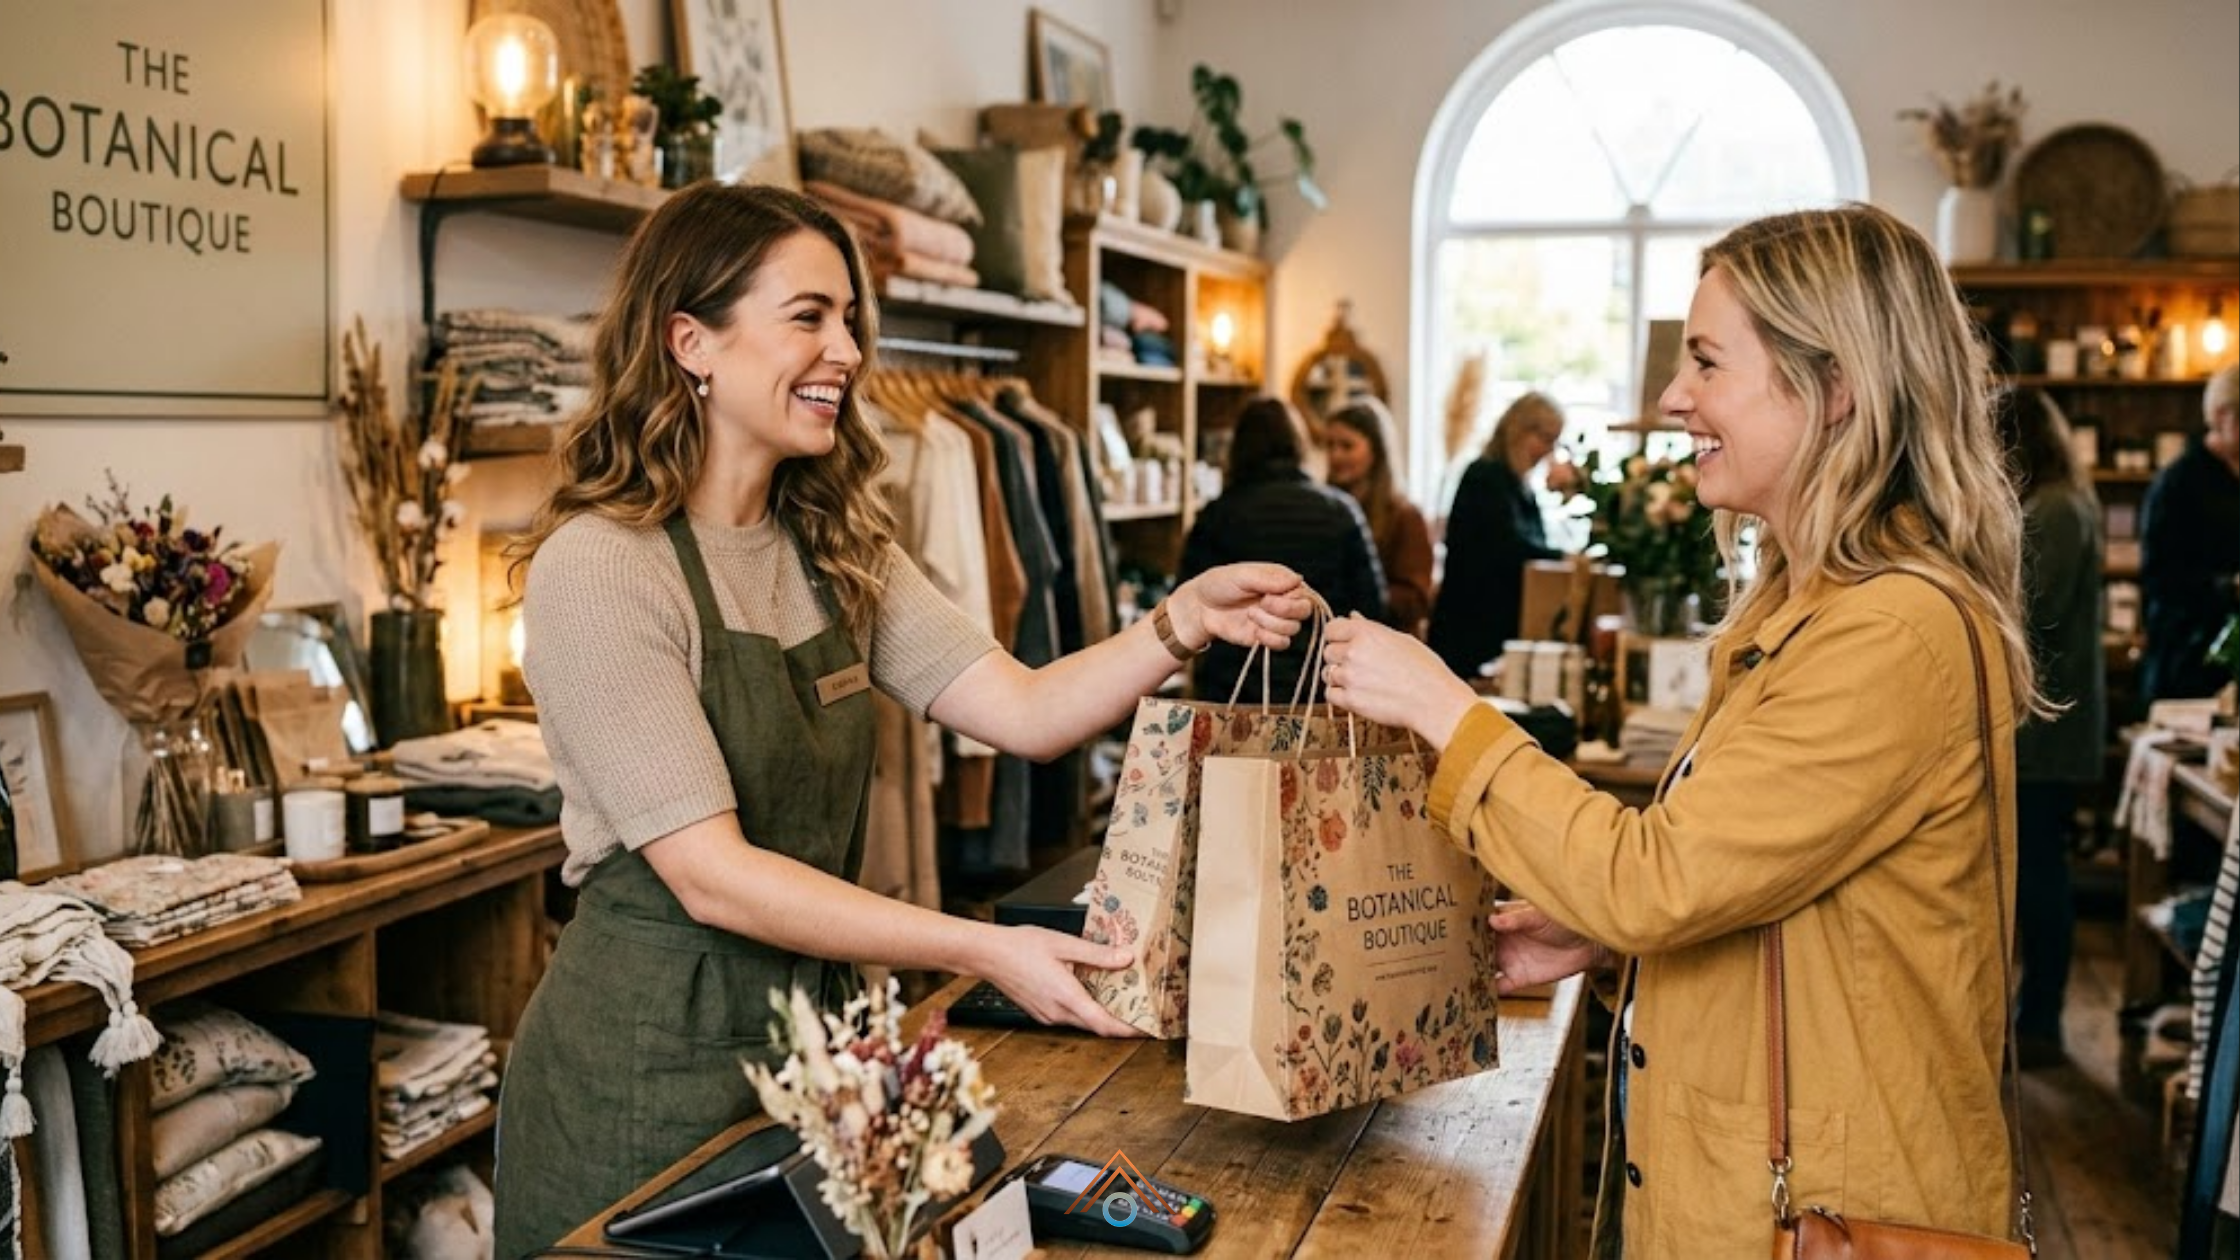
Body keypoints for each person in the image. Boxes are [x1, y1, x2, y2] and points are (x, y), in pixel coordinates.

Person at [491, 183, 1311, 1258]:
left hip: (812, 1055)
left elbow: (1024, 709)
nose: (846, 351)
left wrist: (1182, 621)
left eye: (848, 319)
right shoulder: (603, 568)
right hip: (643, 1073)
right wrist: (982, 949)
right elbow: (712, 876)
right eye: (808, 316)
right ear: (691, 342)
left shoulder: (833, 547)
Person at [1322, 204, 2038, 1255]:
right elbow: (1744, 869)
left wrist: (1442, 707)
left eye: (1706, 361)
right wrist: (1602, 932)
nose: (1671, 396)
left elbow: (1653, 877)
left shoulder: (1889, 631)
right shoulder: (1814, 608)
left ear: (1835, 385)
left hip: (1829, 1215)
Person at [1994, 385, 2104, 1069]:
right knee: (2036, 869)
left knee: (2038, 874)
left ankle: (2041, 1021)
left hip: (2045, 730)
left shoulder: (2057, 510)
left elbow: (2032, 609)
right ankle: (2033, 1015)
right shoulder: (2059, 503)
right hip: (2044, 725)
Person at [1180, 396, 1384, 701]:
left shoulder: (1217, 515)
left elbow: (1186, 607)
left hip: (1234, 691)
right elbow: (1371, 607)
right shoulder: (1341, 510)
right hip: (1320, 687)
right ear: (1299, 445)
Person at [1426, 392, 1572, 678]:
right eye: (1545, 439)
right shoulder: (1485, 478)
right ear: (1520, 430)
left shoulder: (1519, 487)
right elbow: (1508, 548)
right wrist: (1565, 557)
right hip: (1471, 628)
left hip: (1496, 626)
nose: (1548, 451)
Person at [2138, 363, 2240, 707]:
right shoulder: (2177, 484)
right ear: (2223, 416)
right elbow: (2160, 579)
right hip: (2187, 663)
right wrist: (2229, 587)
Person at [1323, 395, 1437, 636]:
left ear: (1377, 451)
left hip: (1390, 643)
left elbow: (1416, 598)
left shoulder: (1405, 516)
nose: (1335, 456)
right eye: (1330, 445)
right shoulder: (1326, 511)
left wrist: (1360, 594)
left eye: (1347, 446)